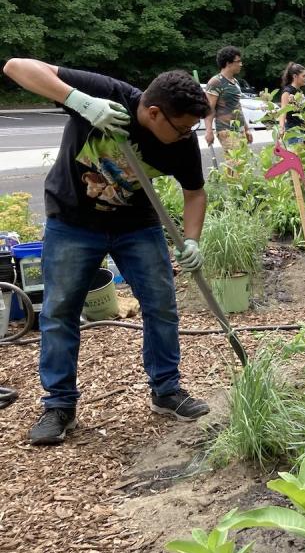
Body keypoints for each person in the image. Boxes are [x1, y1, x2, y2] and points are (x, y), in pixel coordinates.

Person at [1, 57, 213, 446]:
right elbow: (16, 67)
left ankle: (166, 390)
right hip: (72, 221)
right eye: (182, 127)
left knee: (161, 303)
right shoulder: (108, 95)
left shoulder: (181, 143)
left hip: (136, 226)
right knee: (60, 310)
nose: (188, 136)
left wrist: (192, 239)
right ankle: (59, 405)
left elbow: (195, 193)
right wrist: (81, 102)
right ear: (154, 112)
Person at [204, 46, 253, 151]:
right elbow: (209, 109)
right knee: (235, 163)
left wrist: (246, 129)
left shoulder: (235, 82)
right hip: (225, 130)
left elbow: (237, 107)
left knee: (242, 163)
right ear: (228, 63)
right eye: (238, 61)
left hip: (238, 128)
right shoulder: (216, 82)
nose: (241, 64)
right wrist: (208, 131)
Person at [278, 62, 305, 144]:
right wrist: (281, 129)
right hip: (294, 132)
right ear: (295, 76)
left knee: (304, 156)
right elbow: (283, 112)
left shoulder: (299, 91)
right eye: (303, 76)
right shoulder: (287, 92)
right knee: (297, 156)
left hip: (304, 130)